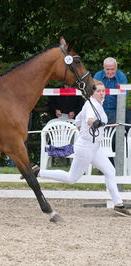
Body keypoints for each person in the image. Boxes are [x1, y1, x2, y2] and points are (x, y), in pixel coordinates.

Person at [26, 80, 130, 216]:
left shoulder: (95, 103)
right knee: (71, 178)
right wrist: (95, 123)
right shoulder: (92, 105)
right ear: (92, 92)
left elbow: (78, 121)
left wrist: (84, 129)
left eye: (103, 91)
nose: (102, 93)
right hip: (86, 147)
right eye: (98, 91)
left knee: (110, 171)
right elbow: (89, 119)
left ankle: (118, 205)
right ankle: (39, 173)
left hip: (95, 147)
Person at [93, 57, 128, 124]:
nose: (110, 72)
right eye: (107, 69)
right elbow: (94, 95)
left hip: (116, 112)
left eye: (112, 69)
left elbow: (123, 97)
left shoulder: (122, 77)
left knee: (115, 133)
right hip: (99, 110)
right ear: (103, 68)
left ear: (116, 68)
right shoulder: (98, 76)